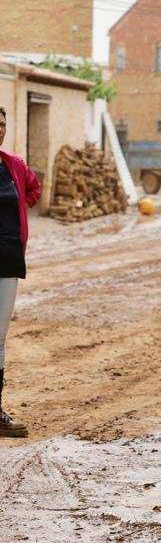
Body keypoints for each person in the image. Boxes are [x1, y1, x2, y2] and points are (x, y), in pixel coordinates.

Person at [0, 106, 39, 439]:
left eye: (2, 125)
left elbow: (34, 189)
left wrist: (22, 207)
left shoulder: (13, 165)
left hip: (9, 258)